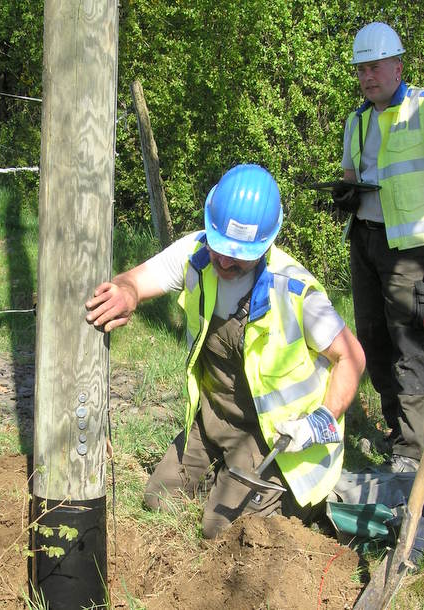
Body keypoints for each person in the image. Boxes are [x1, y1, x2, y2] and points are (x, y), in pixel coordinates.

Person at [86, 164, 365, 538]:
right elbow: (135, 279)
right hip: (214, 418)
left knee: (220, 531)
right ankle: (223, 469)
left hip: (275, 439)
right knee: (157, 500)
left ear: (267, 244)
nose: (225, 262)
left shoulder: (295, 292)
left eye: (240, 256)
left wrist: (322, 420)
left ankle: (296, 501)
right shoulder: (196, 255)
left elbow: (352, 357)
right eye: (221, 250)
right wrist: (126, 291)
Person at [335, 22, 424, 473]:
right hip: (365, 238)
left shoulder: (421, 109)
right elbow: (353, 178)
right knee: (372, 336)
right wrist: (342, 194)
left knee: (409, 341)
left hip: (409, 248)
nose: (367, 77)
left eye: (374, 67)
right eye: (360, 70)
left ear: (397, 66)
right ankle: (397, 429)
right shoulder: (357, 120)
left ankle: (414, 449)